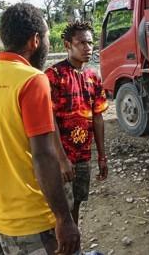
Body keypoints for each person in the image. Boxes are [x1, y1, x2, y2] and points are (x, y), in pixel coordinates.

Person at [0, 3, 80, 254]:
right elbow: (44, 155)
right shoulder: (32, 80)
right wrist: (65, 219)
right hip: (29, 222)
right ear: (35, 40)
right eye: (45, 35)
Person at [45, 21, 108, 225]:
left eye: (90, 43)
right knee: (61, 208)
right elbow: (49, 119)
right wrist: (62, 160)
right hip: (61, 157)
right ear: (67, 45)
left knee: (77, 203)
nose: (87, 48)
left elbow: (97, 116)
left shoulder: (93, 76)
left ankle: (74, 247)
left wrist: (102, 156)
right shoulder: (53, 75)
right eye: (81, 43)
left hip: (83, 155)